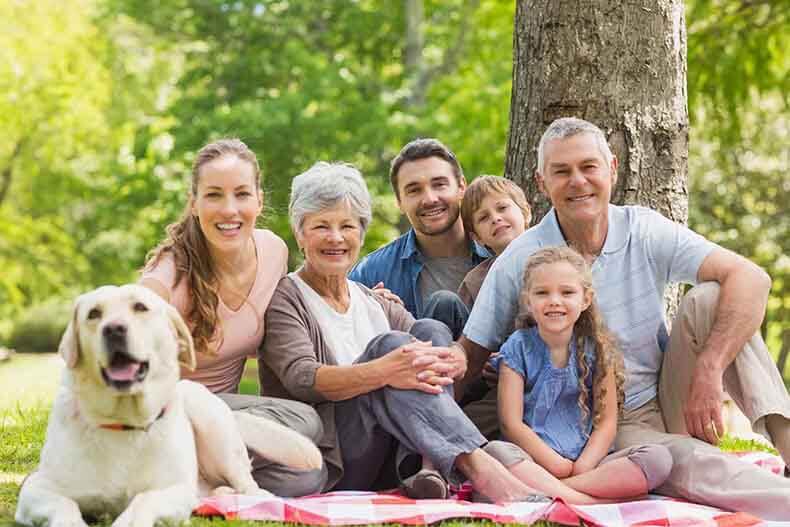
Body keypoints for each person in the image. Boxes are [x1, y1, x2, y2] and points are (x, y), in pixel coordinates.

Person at [457, 117, 790, 519]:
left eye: (588, 167)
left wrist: (709, 369)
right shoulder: (520, 258)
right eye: (561, 172)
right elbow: (470, 353)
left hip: (668, 389)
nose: (578, 181)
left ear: (612, 168)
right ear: (542, 183)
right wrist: (433, 428)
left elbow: (752, 278)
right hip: (606, 423)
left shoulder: (642, 228)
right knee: (688, 462)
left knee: (718, 296)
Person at [259, 161, 606, 504]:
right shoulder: (287, 298)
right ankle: (479, 465)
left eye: (347, 226)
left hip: (394, 460)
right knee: (390, 346)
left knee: (430, 329)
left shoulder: (374, 302)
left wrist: (469, 361)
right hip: (335, 458)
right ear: (300, 233)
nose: (336, 238)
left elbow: (435, 352)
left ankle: (431, 467)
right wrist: (383, 370)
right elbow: (302, 378)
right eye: (321, 226)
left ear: (360, 233)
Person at [140, 138, 325, 497]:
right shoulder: (169, 274)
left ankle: (199, 478)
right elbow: (128, 319)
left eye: (241, 194)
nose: (229, 209)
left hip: (220, 429)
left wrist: (368, 295)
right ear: (193, 203)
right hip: (166, 415)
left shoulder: (273, 250)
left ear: (259, 199)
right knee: (305, 422)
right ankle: (184, 466)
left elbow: (300, 303)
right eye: (213, 195)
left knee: (307, 477)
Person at [494, 246, 672, 499]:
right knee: (497, 452)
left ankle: (555, 494)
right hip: (534, 461)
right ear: (528, 300)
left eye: (567, 292)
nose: (555, 300)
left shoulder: (597, 348)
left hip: (589, 464)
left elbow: (607, 422)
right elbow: (510, 423)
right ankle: (588, 501)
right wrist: (555, 464)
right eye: (542, 293)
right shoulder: (517, 346)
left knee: (657, 459)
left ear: (585, 299)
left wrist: (583, 467)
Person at [349, 138, 488, 338]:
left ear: (461, 187)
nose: (430, 199)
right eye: (414, 190)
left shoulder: (501, 253)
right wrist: (365, 314)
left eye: (439, 184)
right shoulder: (371, 273)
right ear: (399, 201)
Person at [455, 175, 531, 411]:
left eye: (502, 208)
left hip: (554, 374)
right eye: (484, 218)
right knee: (470, 422)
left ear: (526, 212)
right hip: (499, 389)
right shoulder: (475, 281)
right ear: (477, 237)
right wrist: (484, 363)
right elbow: (469, 345)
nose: (496, 218)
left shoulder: (556, 259)